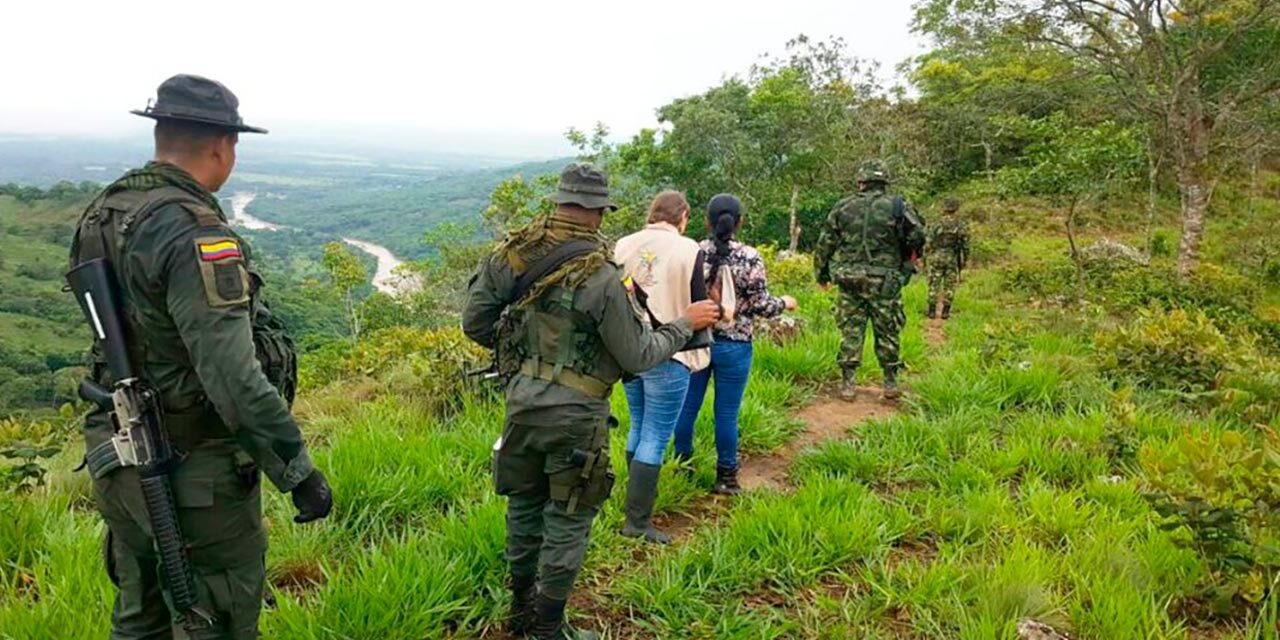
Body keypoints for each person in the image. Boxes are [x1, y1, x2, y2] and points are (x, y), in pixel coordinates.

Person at [68, 74, 332, 639]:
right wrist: (296, 470)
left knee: (141, 621)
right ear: (223, 145)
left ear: (162, 134)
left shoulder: (107, 209)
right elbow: (233, 377)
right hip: (193, 472)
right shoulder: (194, 230)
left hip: (119, 458)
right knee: (217, 621)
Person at [462, 164, 720, 640]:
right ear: (600, 212)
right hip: (576, 414)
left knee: (523, 505)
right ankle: (547, 628)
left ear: (560, 201)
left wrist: (527, 356)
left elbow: (476, 324)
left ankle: (519, 611)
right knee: (568, 516)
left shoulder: (511, 254)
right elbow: (638, 355)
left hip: (521, 402)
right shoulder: (600, 275)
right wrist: (685, 324)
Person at [672, 194, 796, 495]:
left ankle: (682, 468)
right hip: (735, 344)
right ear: (739, 221)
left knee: (687, 408)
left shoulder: (693, 252)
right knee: (726, 412)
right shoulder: (750, 257)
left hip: (696, 342)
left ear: (706, 221)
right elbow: (761, 305)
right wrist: (786, 302)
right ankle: (726, 478)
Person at [613, 190, 710, 544]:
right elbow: (699, 303)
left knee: (638, 424)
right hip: (670, 350)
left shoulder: (622, 245)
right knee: (655, 434)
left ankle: (630, 502)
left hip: (629, 352)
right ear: (682, 216)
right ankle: (637, 522)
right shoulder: (689, 248)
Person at [814, 160, 925, 402]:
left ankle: (848, 383)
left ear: (861, 182)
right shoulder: (898, 206)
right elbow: (918, 236)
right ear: (884, 182)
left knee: (851, 330)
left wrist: (821, 273)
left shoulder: (844, 206)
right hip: (884, 280)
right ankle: (890, 381)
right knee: (887, 329)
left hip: (849, 279)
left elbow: (825, 243)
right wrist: (906, 262)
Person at [924, 198, 970, 320]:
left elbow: (928, 242)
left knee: (934, 283)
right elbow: (965, 244)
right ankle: (945, 312)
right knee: (950, 285)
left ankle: (932, 311)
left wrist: (925, 257)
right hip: (951, 257)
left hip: (936, 256)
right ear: (956, 209)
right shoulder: (961, 225)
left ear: (944, 208)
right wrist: (964, 259)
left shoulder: (936, 223)